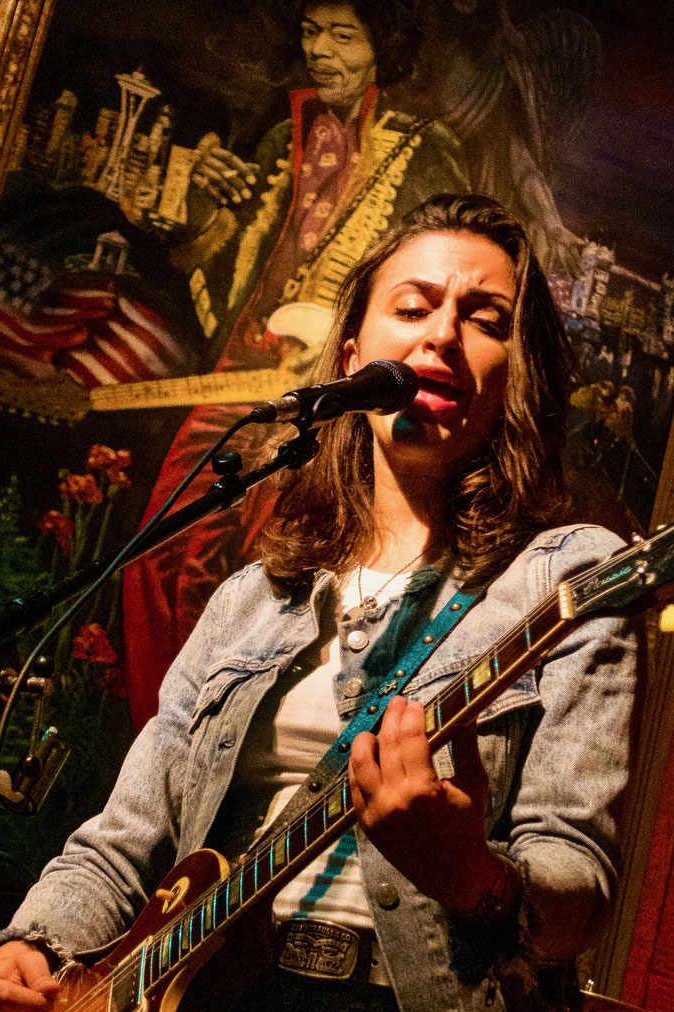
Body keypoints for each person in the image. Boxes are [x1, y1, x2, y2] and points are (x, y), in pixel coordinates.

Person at [0, 194, 638, 1012]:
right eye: (412, 307)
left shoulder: (569, 577)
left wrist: (467, 872)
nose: (440, 338)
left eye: (485, 319)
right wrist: (26, 948)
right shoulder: (257, 593)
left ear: (519, 374)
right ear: (352, 353)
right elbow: (125, 839)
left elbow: (575, 880)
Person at [123, 0, 471, 726]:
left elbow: (445, 285)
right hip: (246, 373)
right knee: (160, 547)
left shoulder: (423, 146)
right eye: (313, 32)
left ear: (383, 47)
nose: (322, 49)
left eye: (344, 33)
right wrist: (203, 207)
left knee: (268, 561)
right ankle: (166, 731)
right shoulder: (285, 135)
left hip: (337, 395)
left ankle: (236, 735)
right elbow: (207, 264)